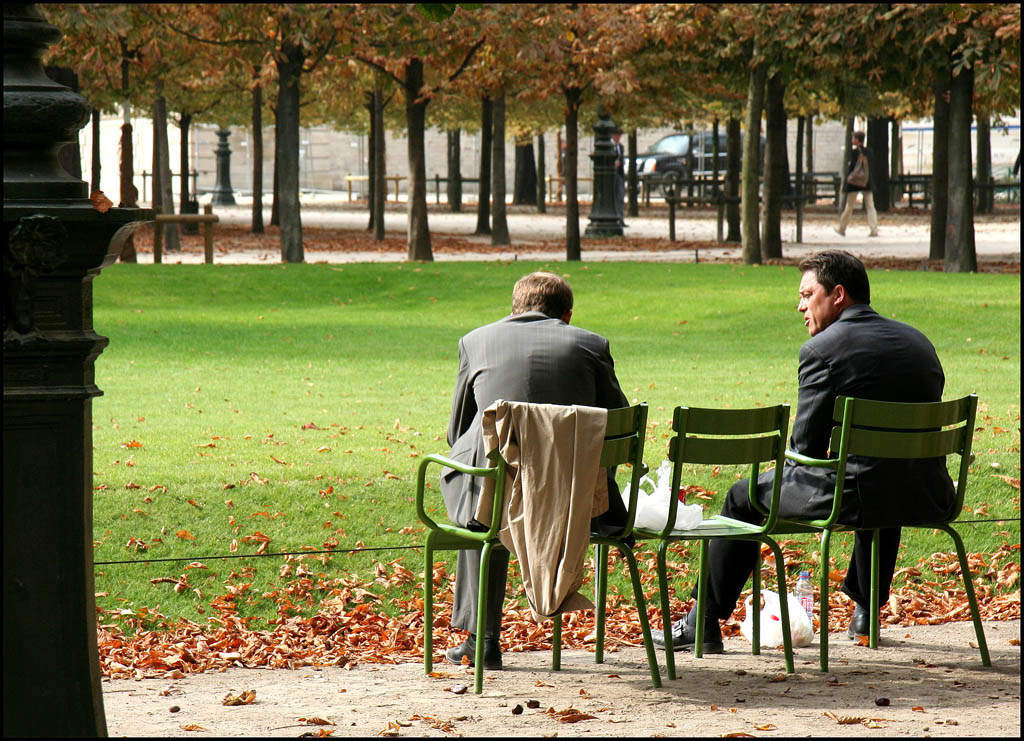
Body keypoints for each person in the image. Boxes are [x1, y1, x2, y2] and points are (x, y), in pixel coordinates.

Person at [653, 250, 956, 654]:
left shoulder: (822, 350)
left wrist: (792, 460)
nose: (800, 306)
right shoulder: (919, 343)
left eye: (807, 294)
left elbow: (807, 447)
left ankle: (701, 622)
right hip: (929, 493)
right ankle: (866, 613)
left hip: (856, 496)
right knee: (883, 474)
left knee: (743, 496)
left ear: (838, 295)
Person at [440, 271, 630, 669]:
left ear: (514, 309)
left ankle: (482, 639)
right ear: (568, 315)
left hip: (494, 495)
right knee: (494, 489)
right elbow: (619, 426)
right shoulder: (592, 345)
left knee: (481, 505)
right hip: (575, 500)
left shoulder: (475, 341)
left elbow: (457, 430)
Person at [835, 131, 878, 238]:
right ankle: (874, 229)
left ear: (857, 140)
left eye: (853, 138)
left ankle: (842, 228)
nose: (852, 140)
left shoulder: (854, 153)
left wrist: (848, 179)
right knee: (870, 206)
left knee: (849, 206)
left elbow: (852, 168)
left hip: (854, 183)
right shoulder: (869, 152)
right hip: (866, 182)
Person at [612, 128, 627, 227]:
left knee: (620, 196)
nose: (618, 138)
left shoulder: (620, 147)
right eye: (616, 136)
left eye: (619, 136)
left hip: (619, 174)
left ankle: (620, 219)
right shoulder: (609, 146)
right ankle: (614, 218)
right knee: (613, 197)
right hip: (611, 174)